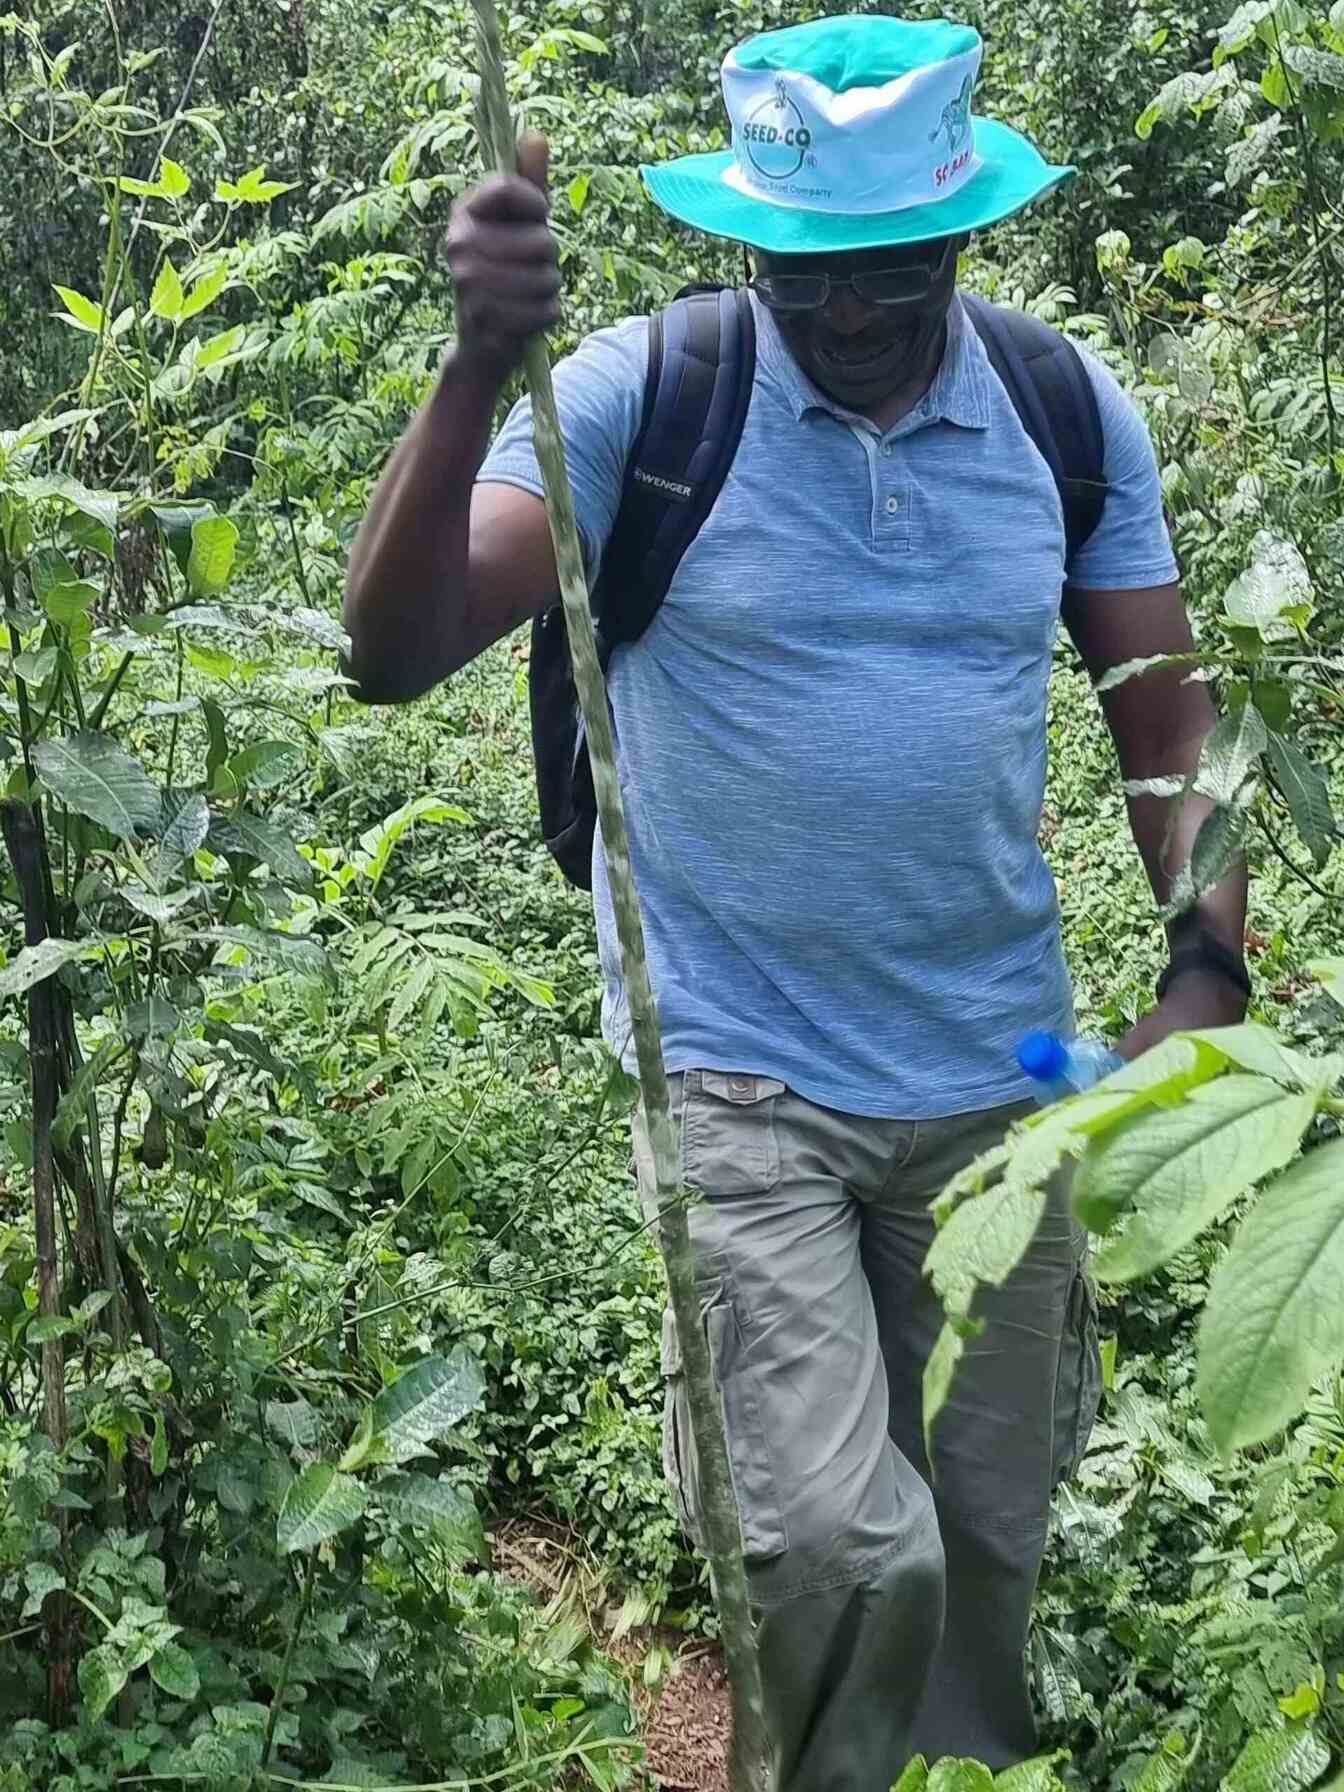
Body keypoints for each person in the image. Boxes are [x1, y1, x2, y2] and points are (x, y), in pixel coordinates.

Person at [343, 15, 1249, 1789]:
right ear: (750, 241)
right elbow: (393, 650)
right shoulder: (638, 395)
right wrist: (471, 370)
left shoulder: (1061, 410)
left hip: (1003, 1079)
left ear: (963, 233)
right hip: (740, 1070)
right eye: (804, 274)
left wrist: (1209, 955)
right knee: (839, 1546)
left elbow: (1173, 728)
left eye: (889, 273)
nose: (844, 316)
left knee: (988, 1539)